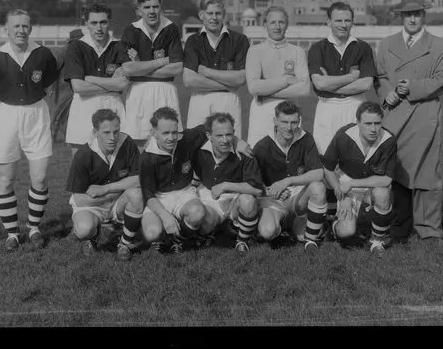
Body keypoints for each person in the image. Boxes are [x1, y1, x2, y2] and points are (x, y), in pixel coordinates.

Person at [374, 0, 443, 241]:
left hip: (424, 114)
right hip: (394, 114)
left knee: (427, 172)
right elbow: (380, 76)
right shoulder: (386, 44)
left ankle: (428, 228)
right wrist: (387, 93)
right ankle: (399, 224)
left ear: (423, 15)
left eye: (417, 13)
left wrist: (414, 87)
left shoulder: (440, 46)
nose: (412, 19)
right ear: (401, 16)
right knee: (395, 169)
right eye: (408, 14)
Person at [0, 9, 59, 252]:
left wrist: (28, 105)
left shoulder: (43, 54)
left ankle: (34, 227)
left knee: (40, 177)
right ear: (6, 29)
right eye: (16, 26)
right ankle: (12, 233)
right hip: (6, 116)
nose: (21, 30)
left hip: (36, 115)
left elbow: (49, 86)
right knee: (6, 178)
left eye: (25, 26)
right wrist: (9, 109)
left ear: (31, 28)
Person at [139, 107, 252, 254]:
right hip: (159, 197)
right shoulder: (146, 157)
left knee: (197, 212)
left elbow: (213, 128)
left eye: (174, 132)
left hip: (184, 193)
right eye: (165, 133)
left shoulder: (186, 139)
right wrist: (164, 215)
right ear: (153, 133)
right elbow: (148, 195)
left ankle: (178, 240)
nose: (172, 137)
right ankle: (160, 235)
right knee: (152, 233)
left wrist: (237, 141)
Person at [321, 101, 397, 257]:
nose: (373, 129)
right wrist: (342, 194)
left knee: (383, 193)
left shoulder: (388, 140)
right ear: (357, 122)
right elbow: (327, 168)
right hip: (345, 187)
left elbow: (386, 180)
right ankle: (333, 226)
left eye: (377, 123)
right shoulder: (344, 136)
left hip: (370, 185)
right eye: (368, 123)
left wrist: (352, 184)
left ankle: (377, 241)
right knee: (347, 232)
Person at [65, 109, 143, 259]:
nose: (112, 137)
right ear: (95, 132)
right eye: (106, 132)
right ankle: (94, 235)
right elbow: (80, 199)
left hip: (117, 201)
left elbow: (138, 179)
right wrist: (114, 193)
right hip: (92, 205)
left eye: (116, 131)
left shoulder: (127, 143)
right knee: (84, 229)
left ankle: (124, 243)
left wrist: (105, 189)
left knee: (136, 195)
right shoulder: (83, 155)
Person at [252, 100, 328, 250]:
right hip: (274, 200)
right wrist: (270, 191)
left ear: (299, 121)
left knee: (318, 187)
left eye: (294, 122)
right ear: (275, 121)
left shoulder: (306, 139)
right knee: (267, 232)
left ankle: (309, 240)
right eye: (284, 122)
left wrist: (289, 181)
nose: (289, 127)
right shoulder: (263, 146)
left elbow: (319, 173)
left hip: (298, 198)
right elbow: (252, 181)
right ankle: (282, 226)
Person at [118, 0, 184, 149]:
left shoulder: (171, 28)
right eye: (147, 7)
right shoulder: (131, 30)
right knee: (139, 144)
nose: (152, 11)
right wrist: (164, 60)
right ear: (139, 10)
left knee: (169, 142)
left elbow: (177, 68)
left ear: (161, 7)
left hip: (166, 91)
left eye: (155, 6)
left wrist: (140, 65)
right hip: (138, 93)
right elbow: (127, 69)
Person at [308, 2, 376, 154]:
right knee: (325, 155)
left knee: (355, 156)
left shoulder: (363, 47)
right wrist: (352, 77)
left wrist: (330, 84)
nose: (343, 25)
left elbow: (366, 84)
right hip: (327, 107)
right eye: (338, 20)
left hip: (356, 105)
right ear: (329, 22)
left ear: (353, 22)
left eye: (347, 20)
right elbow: (319, 84)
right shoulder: (317, 48)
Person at [63, 3, 129, 156]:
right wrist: (112, 85)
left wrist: (91, 79)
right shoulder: (76, 47)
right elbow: (78, 87)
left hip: (113, 108)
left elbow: (123, 84)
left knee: (114, 164)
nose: (99, 28)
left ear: (109, 22)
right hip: (83, 108)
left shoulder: (119, 46)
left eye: (103, 22)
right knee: (81, 165)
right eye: (94, 23)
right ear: (86, 24)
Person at [193, 112, 264, 253]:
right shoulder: (198, 149)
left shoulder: (245, 153)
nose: (225, 140)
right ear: (209, 136)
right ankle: (221, 229)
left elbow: (257, 189)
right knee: (205, 224)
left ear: (234, 133)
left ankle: (242, 241)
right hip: (210, 197)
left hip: (234, 200)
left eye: (229, 134)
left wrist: (225, 185)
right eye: (219, 135)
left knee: (248, 201)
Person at [183, 0, 250, 138]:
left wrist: (206, 71)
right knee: (197, 148)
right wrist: (228, 83)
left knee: (229, 147)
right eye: (209, 13)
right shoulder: (192, 41)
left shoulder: (240, 40)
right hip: (200, 100)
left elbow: (240, 79)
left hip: (229, 102)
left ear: (224, 14)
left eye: (218, 13)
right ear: (201, 15)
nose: (214, 17)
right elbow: (189, 80)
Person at [245, 6, 310, 146]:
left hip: (290, 113)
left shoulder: (298, 51)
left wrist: (267, 91)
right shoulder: (255, 51)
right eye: (273, 22)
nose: (277, 26)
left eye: (281, 22)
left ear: (287, 25)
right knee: (259, 156)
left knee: (291, 156)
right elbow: (254, 87)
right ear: (265, 25)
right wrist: (286, 80)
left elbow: (304, 89)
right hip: (262, 111)